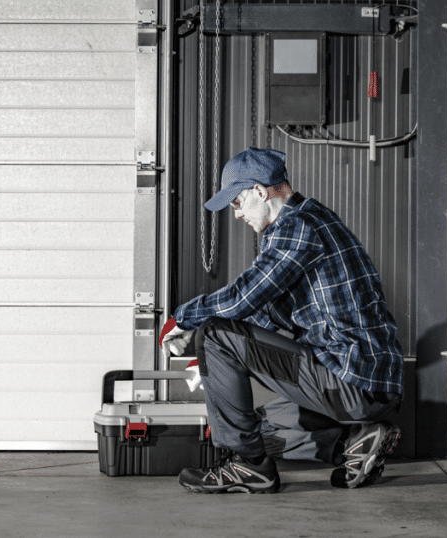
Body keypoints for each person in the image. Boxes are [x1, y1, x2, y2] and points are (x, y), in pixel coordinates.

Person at [161, 147, 404, 494]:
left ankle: (249, 467)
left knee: (214, 332)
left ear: (259, 192)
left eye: (237, 203)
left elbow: (243, 297)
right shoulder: (310, 220)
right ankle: (353, 442)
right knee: (263, 425)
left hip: (352, 379)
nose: (237, 215)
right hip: (361, 382)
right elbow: (267, 314)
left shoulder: (298, 227)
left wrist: (183, 320)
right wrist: (215, 365)